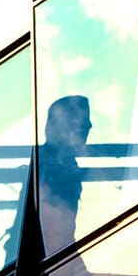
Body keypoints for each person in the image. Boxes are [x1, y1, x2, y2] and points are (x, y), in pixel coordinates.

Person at [37, 95, 92, 252]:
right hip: (51, 251)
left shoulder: (64, 162)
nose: (89, 126)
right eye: (80, 126)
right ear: (55, 127)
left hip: (59, 249)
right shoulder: (45, 165)